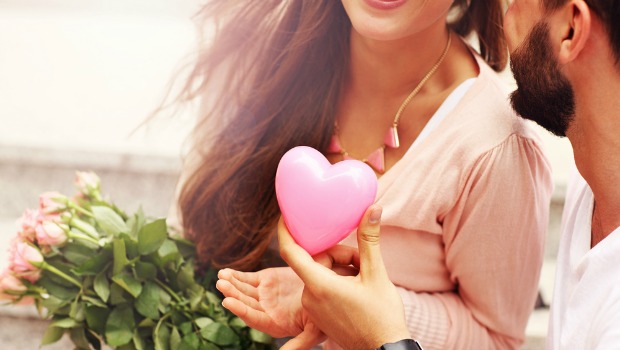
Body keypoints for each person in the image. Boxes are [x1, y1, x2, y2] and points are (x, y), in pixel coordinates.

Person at [222, 0, 620, 349]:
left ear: (572, 28)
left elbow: (497, 340)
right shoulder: (593, 191)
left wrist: (352, 308)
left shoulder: (495, 149)